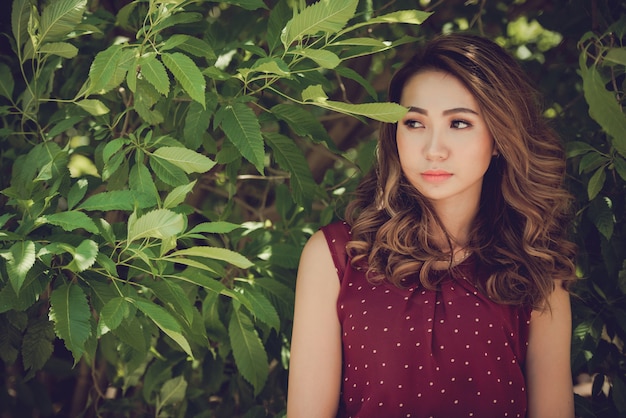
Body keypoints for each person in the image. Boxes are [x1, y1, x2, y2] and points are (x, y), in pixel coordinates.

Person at [286, 32, 577, 418]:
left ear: (499, 139)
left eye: (459, 123)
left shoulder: (537, 269)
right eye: (414, 123)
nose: (433, 149)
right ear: (394, 133)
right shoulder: (336, 258)